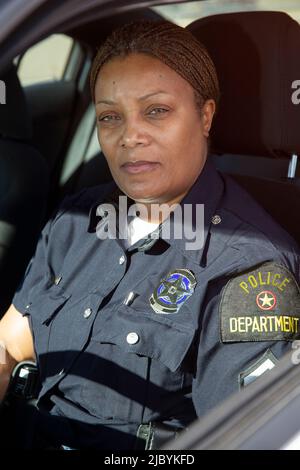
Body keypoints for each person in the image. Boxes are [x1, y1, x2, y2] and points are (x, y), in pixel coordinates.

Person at [0, 19, 300, 450]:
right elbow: (11, 342)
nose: (130, 136)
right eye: (110, 117)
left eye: (156, 110)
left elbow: (241, 442)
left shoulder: (249, 267)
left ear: (205, 116)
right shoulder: (75, 219)